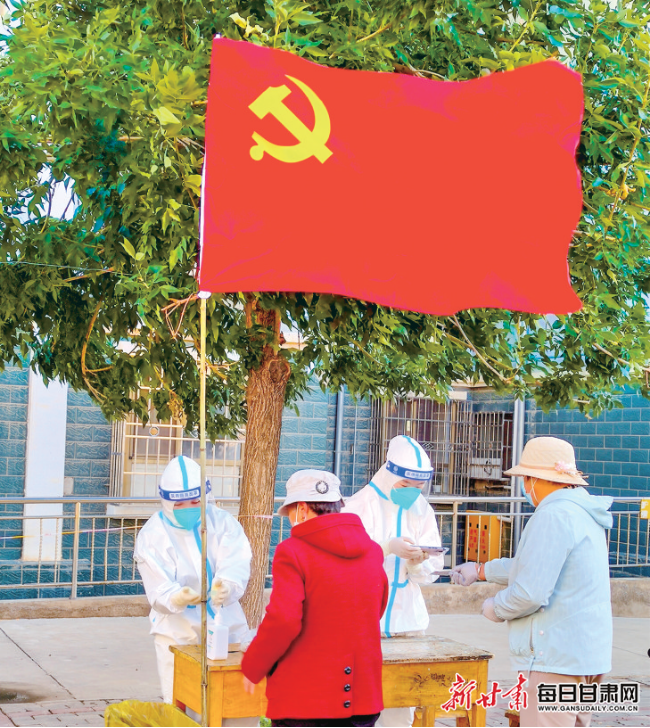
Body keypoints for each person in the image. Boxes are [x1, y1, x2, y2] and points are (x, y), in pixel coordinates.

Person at [451, 436, 613, 727]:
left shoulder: (552, 515)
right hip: (587, 655)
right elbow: (536, 566)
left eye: (526, 478)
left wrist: (495, 607)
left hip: (554, 656)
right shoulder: (583, 512)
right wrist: (481, 570)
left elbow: (530, 592)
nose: (525, 486)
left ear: (538, 478)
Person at [241, 469, 389, 728]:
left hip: (304, 702)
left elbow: (284, 620)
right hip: (362, 699)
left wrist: (254, 665)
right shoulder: (373, 552)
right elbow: (375, 609)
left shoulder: (292, 552)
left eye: (289, 513)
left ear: (301, 510)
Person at [134, 455, 256, 726]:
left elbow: (236, 561)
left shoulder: (222, 523)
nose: (188, 508)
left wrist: (228, 586)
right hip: (177, 633)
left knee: (235, 706)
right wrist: (176, 597)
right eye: (179, 504)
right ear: (167, 502)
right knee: (185, 709)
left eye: (194, 502)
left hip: (227, 627)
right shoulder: (154, 534)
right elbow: (158, 587)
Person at [343, 435, 443, 728]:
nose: (413, 493)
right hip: (364, 624)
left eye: (419, 487)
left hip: (407, 624)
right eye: (406, 485)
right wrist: (386, 548)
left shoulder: (422, 510)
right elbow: (345, 559)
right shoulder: (358, 506)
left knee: (401, 705)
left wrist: (417, 563)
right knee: (358, 704)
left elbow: (433, 568)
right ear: (389, 475)